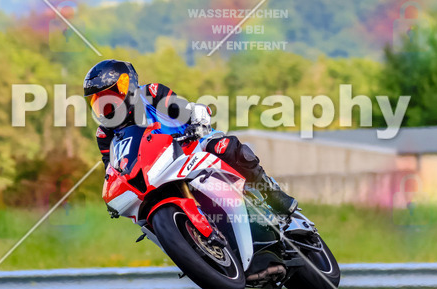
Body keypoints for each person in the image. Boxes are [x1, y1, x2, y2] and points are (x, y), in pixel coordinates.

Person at [82, 59, 298, 216]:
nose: (106, 107)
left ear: (126, 86)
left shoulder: (151, 93)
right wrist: (113, 193)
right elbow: (111, 170)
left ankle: (272, 193)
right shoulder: (104, 134)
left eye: (110, 98)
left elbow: (183, 109)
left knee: (225, 146)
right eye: (98, 102)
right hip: (153, 175)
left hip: (190, 147)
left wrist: (197, 118)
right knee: (142, 217)